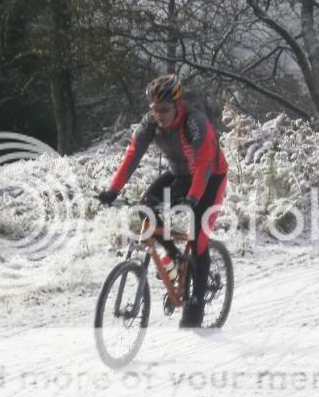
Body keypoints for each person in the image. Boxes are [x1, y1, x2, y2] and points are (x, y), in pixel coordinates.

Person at [97, 74, 228, 328]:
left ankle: (196, 304)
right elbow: (133, 154)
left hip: (211, 177)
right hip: (180, 174)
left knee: (199, 238)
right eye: (155, 110)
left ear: (178, 105)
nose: (159, 115)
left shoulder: (195, 123)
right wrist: (113, 189)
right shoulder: (151, 123)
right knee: (145, 208)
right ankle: (176, 258)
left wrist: (193, 198)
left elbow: (202, 165)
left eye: (165, 110)